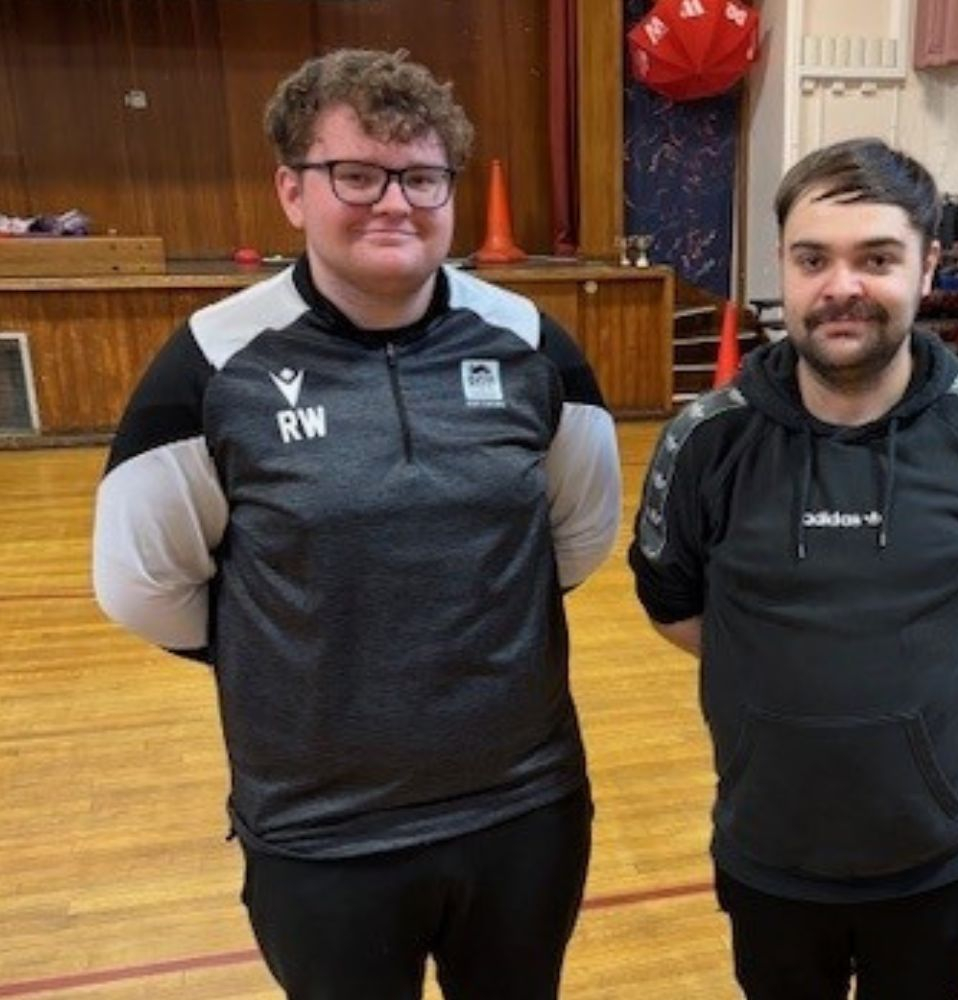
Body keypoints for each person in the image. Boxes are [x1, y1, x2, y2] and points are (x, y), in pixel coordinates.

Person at [92, 48, 620, 1000]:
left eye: (421, 177)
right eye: (357, 175)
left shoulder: (533, 345)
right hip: (322, 833)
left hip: (524, 809)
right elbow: (143, 584)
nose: (394, 203)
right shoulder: (212, 364)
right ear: (292, 190)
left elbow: (574, 539)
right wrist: (296, 650)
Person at [629, 137, 958, 1000]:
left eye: (875, 258)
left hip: (937, 861)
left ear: (926, 264)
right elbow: (674, 604)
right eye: (812, 259)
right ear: (781, 267)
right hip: (769, 858)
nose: (841, 287)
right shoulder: (706, 440)